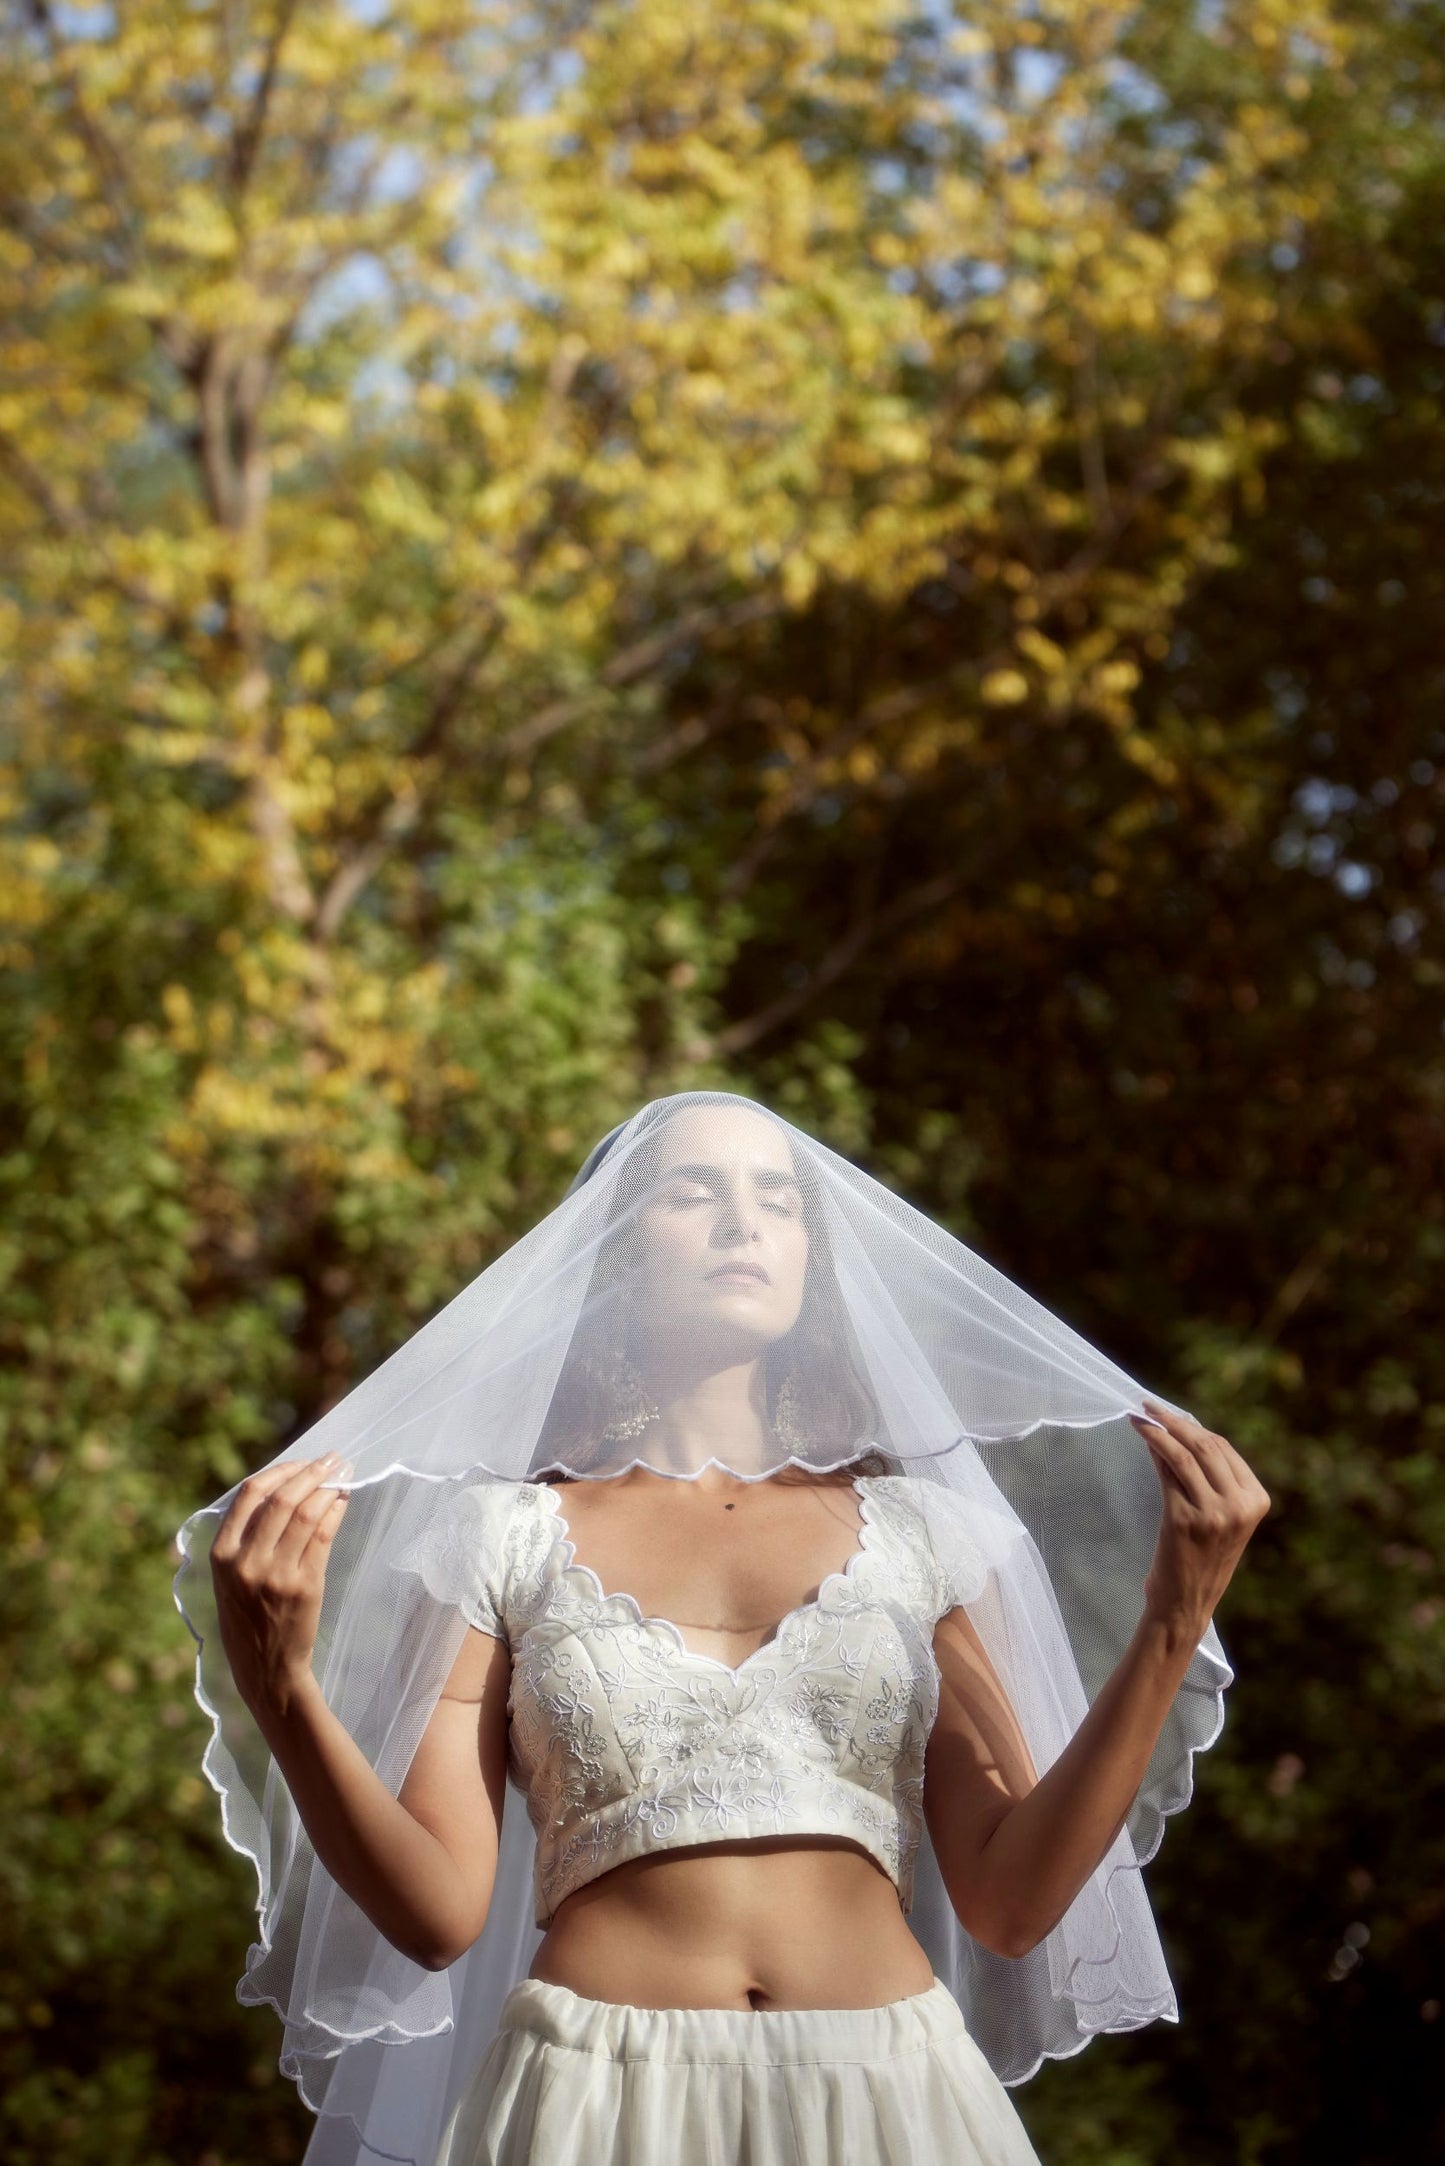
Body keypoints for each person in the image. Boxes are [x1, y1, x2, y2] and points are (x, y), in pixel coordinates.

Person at [183, 1093, 1269, 2166]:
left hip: (891, 2103)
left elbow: (1014, 1902)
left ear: (810, 1257)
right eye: (691, 1191)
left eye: (778, 1200)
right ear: (609, 1252)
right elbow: (434, 1918)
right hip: (591, 2106)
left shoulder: (922, 1534)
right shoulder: (498, 1539)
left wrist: (1173, 1620)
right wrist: (281, 1687)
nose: (742, 1223)